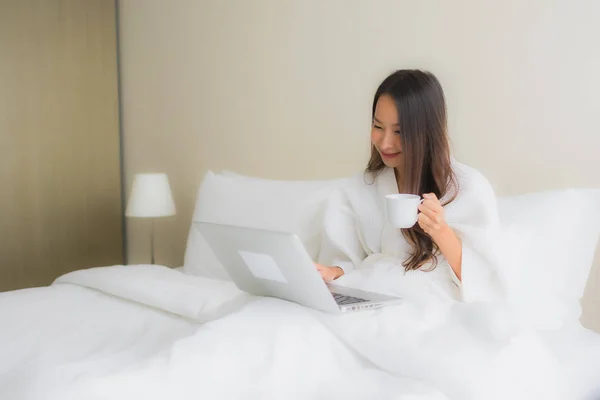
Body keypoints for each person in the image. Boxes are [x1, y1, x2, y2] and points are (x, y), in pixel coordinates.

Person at [315, 69, 504, 303]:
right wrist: (334, 273)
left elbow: (486, 284)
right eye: (378, 126)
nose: (385, 142)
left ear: (427, 131)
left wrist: (441, 231)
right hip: (372, 296)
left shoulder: (468, 187)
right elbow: (347, 263)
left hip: (430, 302)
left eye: (399, 131)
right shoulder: (359, 188)